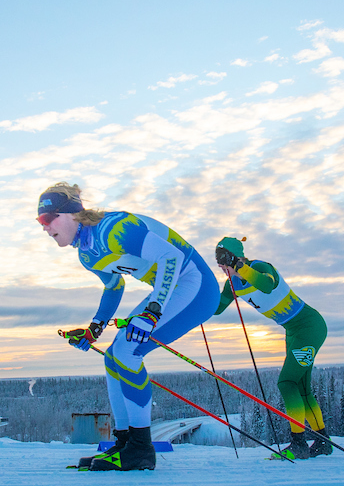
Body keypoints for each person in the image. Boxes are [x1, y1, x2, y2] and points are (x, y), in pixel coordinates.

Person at [42, 182, 220, 471]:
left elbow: (171, 258)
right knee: (114, 356)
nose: (45, 228)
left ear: (71, 214)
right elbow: (114, 288)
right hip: (169, 290)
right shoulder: (87, 254)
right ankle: (125, 443)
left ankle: (140, 448)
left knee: (127, 351)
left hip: (194, 283)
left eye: (48, 219)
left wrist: (152, 311)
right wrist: (93, 329)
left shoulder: (114, 228)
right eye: (41, 222)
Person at [213, 236, 330, 460]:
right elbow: (218, 308)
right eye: (220, 265)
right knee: (301, 387)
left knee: (286, 382)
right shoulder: (232, 284)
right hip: (293, 331)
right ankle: (323, 442)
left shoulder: (259, 267)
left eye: (223, 263)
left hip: (309, 326)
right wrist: (197, 298)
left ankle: (298, 444)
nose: (222, 269)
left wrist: (239, 266)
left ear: (235, 257)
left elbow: (266, 285)